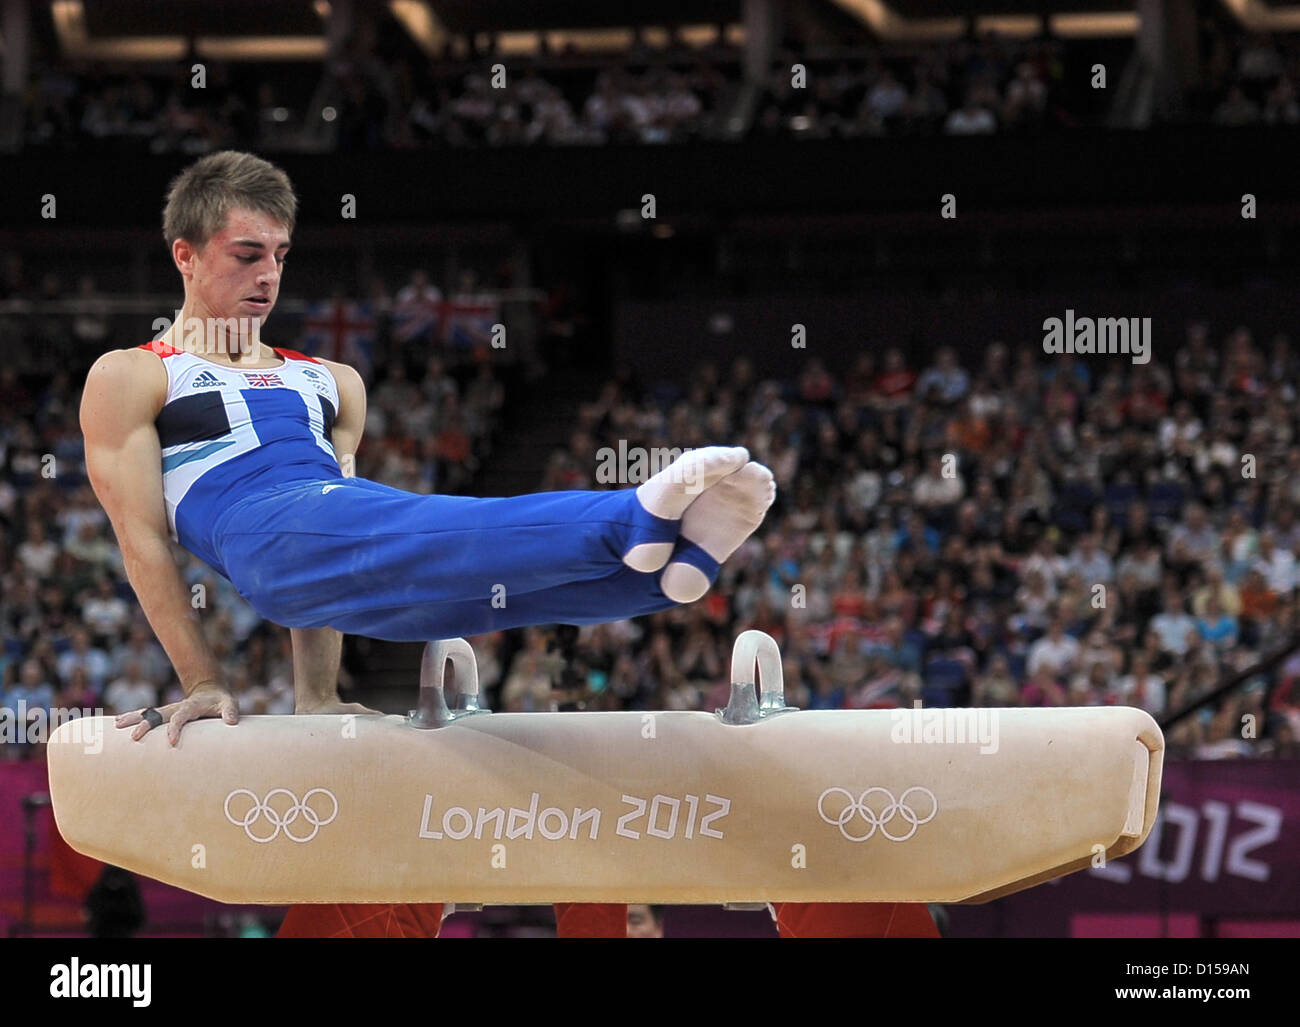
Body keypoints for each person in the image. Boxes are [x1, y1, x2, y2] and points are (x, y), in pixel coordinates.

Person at [80, 150, 775, 745]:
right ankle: (629, 517)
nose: (269, 274)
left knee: (473, 595)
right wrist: (203, 680)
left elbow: (346, 532)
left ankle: (659, 573)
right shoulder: (134, 374)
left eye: (281, 256)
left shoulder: (329, 380)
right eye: (247, 255)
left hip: (328, 535)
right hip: (259, 532)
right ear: (186, 256)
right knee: (417, 529)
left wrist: (316, 695)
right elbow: (141, 538)